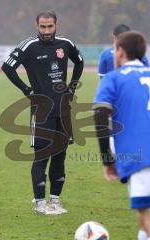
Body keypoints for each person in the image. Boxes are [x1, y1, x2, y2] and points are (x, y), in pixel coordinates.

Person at [2, 10, 84, 215]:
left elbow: (80, 61)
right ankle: (40, 203)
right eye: (42, 26)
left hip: (63, 110)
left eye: (50, 26)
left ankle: (55, 201)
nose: (46, 31)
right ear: (36, 25)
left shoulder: (66, 44)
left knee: (60, 155)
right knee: (42, 156)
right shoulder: (28, 45)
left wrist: (72, 87)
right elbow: (7, 67)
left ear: (56, 25)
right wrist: (27, 90)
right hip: (42, 111)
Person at [93, 31, 150, 240]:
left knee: (146, 219)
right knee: (143, 227)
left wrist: (107, 159)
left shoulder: (113, 78)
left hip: (141, 159)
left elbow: (100, 113)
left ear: (121, 51)